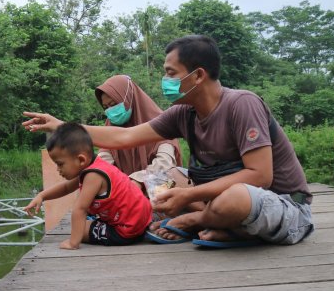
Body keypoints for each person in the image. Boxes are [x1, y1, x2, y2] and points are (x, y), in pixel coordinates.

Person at [23, 35, 314, 247]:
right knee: (167, 177)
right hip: (221, 197)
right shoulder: (183, 113)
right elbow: (125, 136)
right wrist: (63, 126)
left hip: (283, 205)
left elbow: (261, 175)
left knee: (236, 197)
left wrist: (188, 201)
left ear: (198, 75)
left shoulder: (242, 104)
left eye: (171, 73)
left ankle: (196, 222)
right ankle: (227, 227)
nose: (166, 80)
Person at [23, 122, 152, 250]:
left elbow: (80, 209)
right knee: (82, 223)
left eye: (60, 164)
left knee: (81, 229)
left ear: (81, 160)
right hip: (142, 223)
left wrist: (73, 243)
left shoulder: (93, 175)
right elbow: (67, 187)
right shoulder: (96, 165)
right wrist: (42, 196)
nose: (58, 169)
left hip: (126, 231)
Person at [95, 75, 182, 190]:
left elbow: (164, 164)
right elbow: (103, 163)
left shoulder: (162, 124)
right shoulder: (110, 128)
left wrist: (137, 180)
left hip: (158, 192)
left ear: (129, 98)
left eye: (114, 104)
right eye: (106, 107)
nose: (110, 111)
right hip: (124, 193)